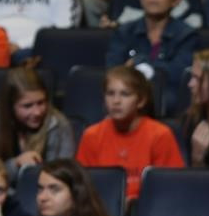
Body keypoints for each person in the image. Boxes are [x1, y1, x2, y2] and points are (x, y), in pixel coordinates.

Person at [78, 66, 186, 202]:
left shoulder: (160, 134)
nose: (116, 101)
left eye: (125, 94)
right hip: (103, 208)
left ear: (141, 101)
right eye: (110, 93)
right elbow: (83, 185)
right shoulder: (91, 135)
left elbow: (171, 185)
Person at [107, 0, 202, 116]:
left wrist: (141, 62)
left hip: (169, 105)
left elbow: (180, 74)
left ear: (176, 0)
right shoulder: (124, 32)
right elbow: (113, 70)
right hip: (127, 102)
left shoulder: (186, 35)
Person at [0, 67, 77, 178]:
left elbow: (62, 175)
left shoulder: (58, 123)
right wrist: (16, 164)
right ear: (10, 106)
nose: (37, 112)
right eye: (27, 106)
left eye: (41, 102)